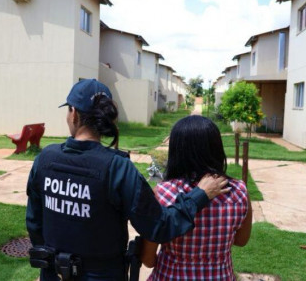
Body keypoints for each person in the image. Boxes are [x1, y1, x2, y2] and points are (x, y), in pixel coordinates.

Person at [26, 79, 230, 281]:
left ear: (74, 113)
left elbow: (34, 223)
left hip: (54, 273)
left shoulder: (45, 159)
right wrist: (199, 195)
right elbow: (159, 226)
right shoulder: (117, 168)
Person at [141, 115, 253, 281]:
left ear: (177, 150)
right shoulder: (239, 191)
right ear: (216, 148)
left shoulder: (163, 193)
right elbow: (241, 240)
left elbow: (148, 259)